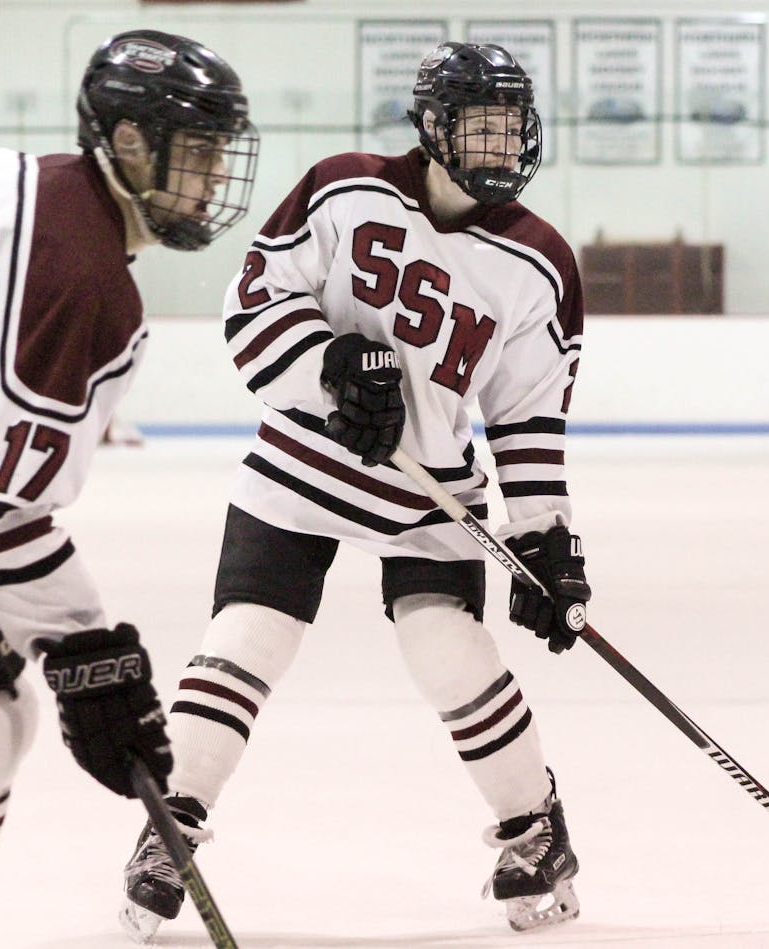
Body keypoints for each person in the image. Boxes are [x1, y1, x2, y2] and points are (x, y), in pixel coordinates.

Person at [118, 41, 589, 940]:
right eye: (478, 124)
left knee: (443, 642)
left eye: (510, 125)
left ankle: (535, 830)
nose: (498, 143)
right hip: (302, 460)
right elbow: (254, 305)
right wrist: (331, 364)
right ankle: (170, 822)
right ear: (433, 127)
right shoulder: (345, 187)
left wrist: (545, 539)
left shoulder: (541, 264)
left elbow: (529, 415)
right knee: (249, 633)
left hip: (429, 494)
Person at [0, 29, 259, 949]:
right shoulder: (79, 268)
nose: (214, 176)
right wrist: (89, 652)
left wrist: (81, 657)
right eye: (199, 151)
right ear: (131, 143)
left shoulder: (41, 193)